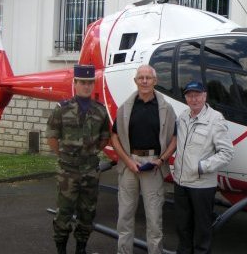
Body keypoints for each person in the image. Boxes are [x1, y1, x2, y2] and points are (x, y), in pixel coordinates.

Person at [111, 64, 177, 254]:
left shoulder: (166, 108)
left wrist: (162, 159)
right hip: (129, 164)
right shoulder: (125, 108)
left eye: (149, 78)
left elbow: (175, 138)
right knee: (124, 216)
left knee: (154, 219)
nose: (145, 81)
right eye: (141, 78)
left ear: (155, 81)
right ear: (135, 81)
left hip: (154, 166)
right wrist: (128, 161)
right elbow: (114, 136)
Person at [46, 64, 111, 254]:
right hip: (68, 171)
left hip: (90, 171)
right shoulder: (62, 109)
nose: (87, 86)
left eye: (90, 83)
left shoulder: (100, 111)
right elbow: (52, 137)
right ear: (75, 83)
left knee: (87, 212)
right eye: (83, 82)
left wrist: (88, 154)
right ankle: (61, 249)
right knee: (64, 213)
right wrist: (65, 156)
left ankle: (81, 248)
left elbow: (104, 138)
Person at [173, 81, 234, 254]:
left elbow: (227, 152)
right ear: (185, 98)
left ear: (205, 96)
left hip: (202, 186)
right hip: (180, 182)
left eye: (197, 95)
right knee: (182, 227)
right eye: (190, 96)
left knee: (202, 230)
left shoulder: (215, 119)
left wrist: (201, 167)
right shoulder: (183, 116)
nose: (194, 99)